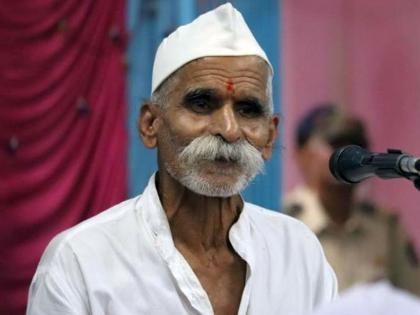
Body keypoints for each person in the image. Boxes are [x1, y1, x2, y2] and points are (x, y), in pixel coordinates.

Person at [26, 4, 337, 315]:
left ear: (269, 136)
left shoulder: (297, 252)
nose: (229, 130)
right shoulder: (81, 262)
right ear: (150, 124)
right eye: (202, 103)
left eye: (247, 110)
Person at [284, 104, 419, 293]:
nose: (349, 154)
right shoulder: (285, 223)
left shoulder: (385, 226)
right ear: (304, 154)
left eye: (356, 144)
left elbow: (412, 300)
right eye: (336, 144)